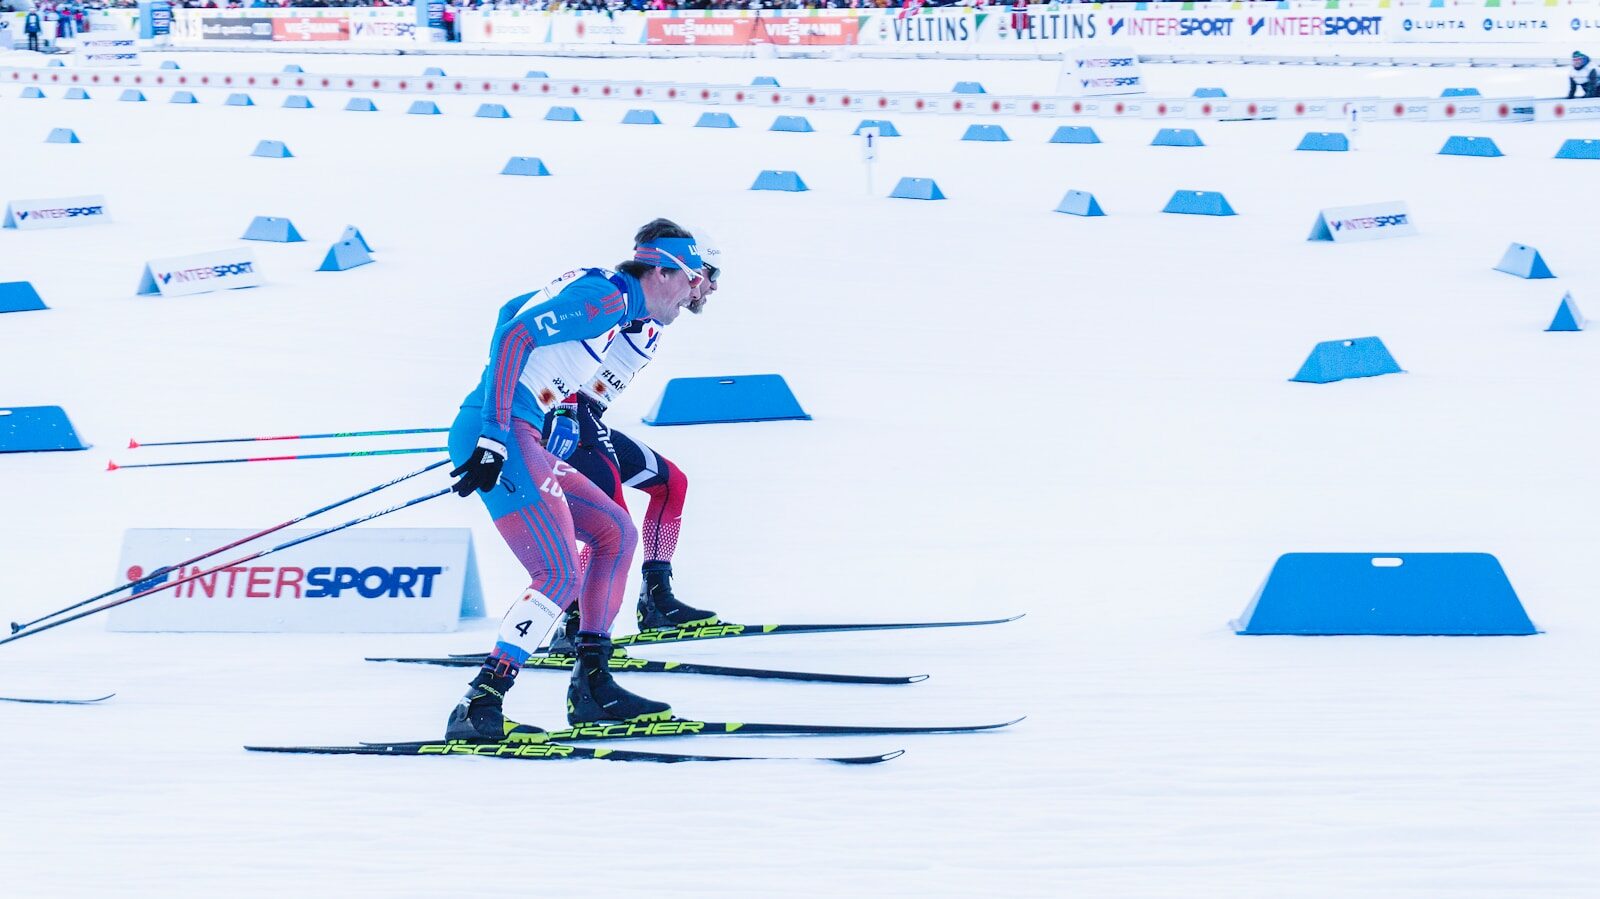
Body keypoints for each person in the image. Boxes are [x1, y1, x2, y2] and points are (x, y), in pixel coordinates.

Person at [444, 221, 705, 742]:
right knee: (559, 574)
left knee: (615, 532)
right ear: (659, 271)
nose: (694, 291)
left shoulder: (616, 303)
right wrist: (495, 428)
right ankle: (480, 703)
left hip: (521, 429)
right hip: (503, 429)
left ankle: (593, 686)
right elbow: (515, 334)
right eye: (690, 277)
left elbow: (510, 312)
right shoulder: (607, 299)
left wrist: (551, 404)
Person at [540, 223, 724, 652]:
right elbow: (573, 342)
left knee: (670, 483)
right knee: (611, 527)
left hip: (592, 418)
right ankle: (577, 627)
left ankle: (656, 601)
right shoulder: (636, 304)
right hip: (571, 417)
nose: (710, 288)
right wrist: (564, 406)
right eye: (709, 276)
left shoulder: (662, 314)